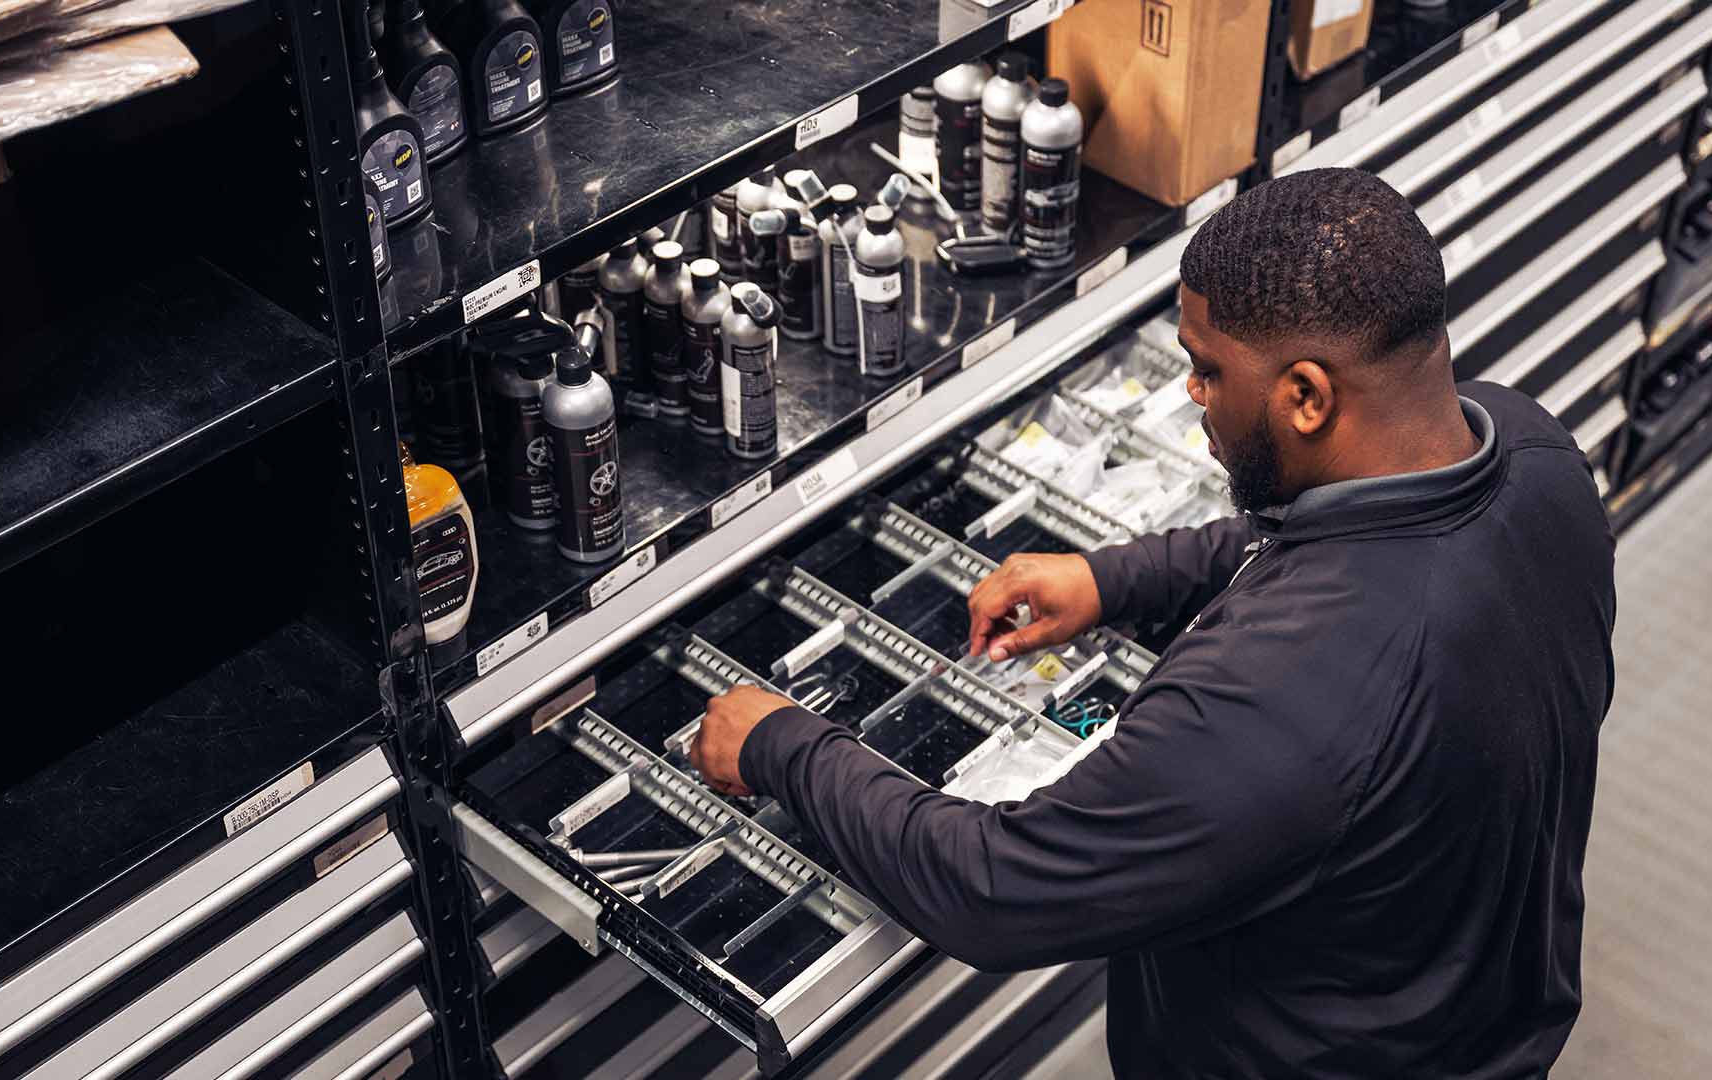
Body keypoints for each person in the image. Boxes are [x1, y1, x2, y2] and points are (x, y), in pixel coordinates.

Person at [691, 168, 1616, 1077]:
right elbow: (1322, 533)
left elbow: (995, 888)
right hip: (1470, 1003)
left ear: (1306, 396)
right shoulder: (1534, 457)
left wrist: (784, 745)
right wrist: (1114, 578)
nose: (1192, 394)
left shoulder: (1288, 696)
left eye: (1208, 370)